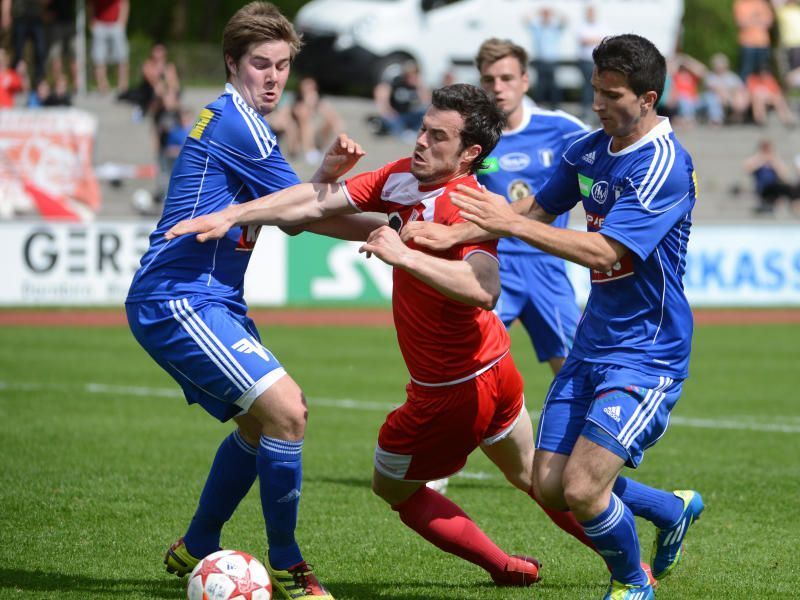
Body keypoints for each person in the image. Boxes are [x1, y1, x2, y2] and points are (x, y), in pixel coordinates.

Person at [165, 83, 548, 589]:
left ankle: (284, 560)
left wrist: (402, 254)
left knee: (380, 475)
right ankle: (648, 525)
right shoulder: (403, 180)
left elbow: (485, 288)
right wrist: (253, 207)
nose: (420, 142)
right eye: (422, 128)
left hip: (459, 381)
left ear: (469, 153)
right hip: (489, 366)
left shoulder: (466, 202)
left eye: (437, 136)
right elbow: (317, 212)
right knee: (542, 480)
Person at [405, 34, 704, 600]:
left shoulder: (664, 165)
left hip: (647, 352)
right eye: (594, 90)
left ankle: (630, 584)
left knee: (587, 490)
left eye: (610, 95)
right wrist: (454, 232)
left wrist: (510, 225)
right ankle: (671, 508)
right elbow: (536, 207)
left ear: (647, 98)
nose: (597, 104)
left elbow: (606, 252)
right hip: (593, 343)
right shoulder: (590, 149)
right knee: (549, 487)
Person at [125, 3, 369, 598]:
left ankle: (199, 543)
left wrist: (348, 200)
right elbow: (304, 211)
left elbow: (293, 213)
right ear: (233, 64)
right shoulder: (239, 122)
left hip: (210, 299)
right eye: (260, 63)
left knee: (266, 426)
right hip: (180, 297)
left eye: (282, 65)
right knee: (288, 411)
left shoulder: (238, 119)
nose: (273, 77)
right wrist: (402, 216)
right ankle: (287, 562)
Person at [290, 76, 343, 164]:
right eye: (307, 86)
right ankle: (309, 151)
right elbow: (301, 115)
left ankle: (323, 151)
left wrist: (338, 125)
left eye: (312, 86)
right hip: (300, 134)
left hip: (318, 132)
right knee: (306, 123)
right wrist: (309, 104)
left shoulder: (320, 102)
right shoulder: (297, 102)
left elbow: (332, 116)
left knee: (329, 122)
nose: (310, 89)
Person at [372, 60, 429, 141]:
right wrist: (386, 111)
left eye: (415, 74)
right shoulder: (396, 82)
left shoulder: (416, 85)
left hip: (407, 114)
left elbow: (426, 102)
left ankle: (416, 132)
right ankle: (402, 134)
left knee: (425, 113)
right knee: (392, 120)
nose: (412, 77)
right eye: (409, 74)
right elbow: (380, 92)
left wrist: (420, 86)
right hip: (395, 114)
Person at [744, 138, 800, 213]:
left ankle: (794, 205)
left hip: (774, 186)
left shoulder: (774, 160)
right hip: (763, 187)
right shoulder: (757, 159)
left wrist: (773, 161)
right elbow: (748, 167)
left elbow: (784, 175)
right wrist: (762, 159)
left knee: (791, 189)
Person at [527, 7, 566, 108]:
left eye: (547, 15)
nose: (546, 17)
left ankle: (555, 106)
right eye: (544, 15)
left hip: (552, 60)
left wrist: (554, 13)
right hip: (540, 60)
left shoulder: (554, 28)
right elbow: (525, 18)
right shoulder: (537, 28)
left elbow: (565, 19)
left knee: (553, 85)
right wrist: (537, 12)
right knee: (540, 85)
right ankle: (539, 105)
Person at [89, 0, 129, 95]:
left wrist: (122, 22)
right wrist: (91, 21)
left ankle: (123, 85)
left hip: (116, 24)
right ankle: (102, 85)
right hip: (100, 24)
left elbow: (125, 3)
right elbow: (90, 5)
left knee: (122, 56)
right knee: (98, 58)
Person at [576, 5, 606, 120]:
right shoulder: (582, 26)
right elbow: (583, 40)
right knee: (588, 87)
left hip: (597, 62)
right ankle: (587, 111)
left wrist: (591, 40)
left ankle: (594, 110)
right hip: (585, 61)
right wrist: (596, 39)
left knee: (597, 87)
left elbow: (605, 39)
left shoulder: (600, 25)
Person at [703, 52, 749, 124]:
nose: (720, 67)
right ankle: (717, 119)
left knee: (740, 96)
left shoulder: (732, 76)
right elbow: (714, 88)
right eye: (718, 65)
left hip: (732, 97)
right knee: (714, 97)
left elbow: (741, 88)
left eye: (721, 64)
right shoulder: (711, 76)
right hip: (718, 98)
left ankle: (737, 115)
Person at [733, 0, 774, 80]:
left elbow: (768, 22)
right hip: (747, 42)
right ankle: (743, 90)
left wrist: (751, 20)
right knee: (746, 69)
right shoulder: (740, 3)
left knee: (763, 70)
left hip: (763, 42)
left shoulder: (761, 3)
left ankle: (765, 90)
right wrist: (757, 19)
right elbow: (741, 23)